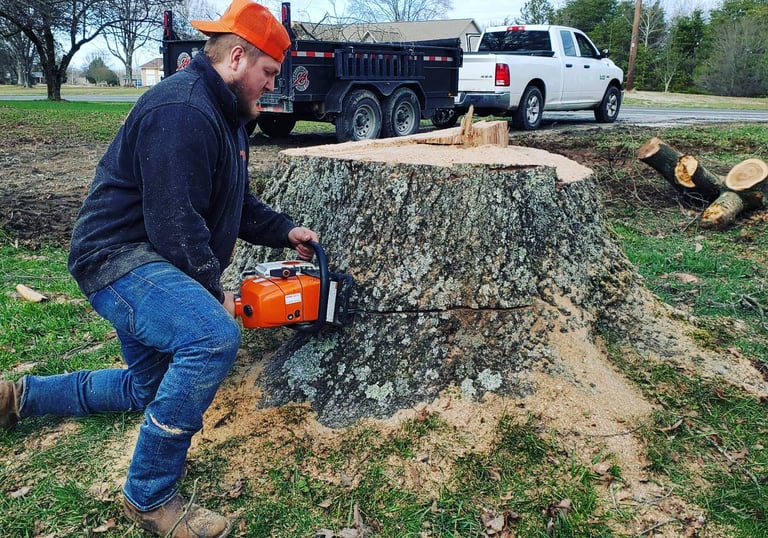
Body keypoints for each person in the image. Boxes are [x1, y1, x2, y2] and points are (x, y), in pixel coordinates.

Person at [0, 1, 318, 536]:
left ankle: (17, 398)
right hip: (118, 257)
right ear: (238, 57)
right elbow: (174, 221)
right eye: (268, 73)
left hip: (150, 259)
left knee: (146, 390)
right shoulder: (184, 110)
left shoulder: (226, 116)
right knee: (212, 336)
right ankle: (148, 495)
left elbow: (231, 203)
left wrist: (284, 230)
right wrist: (210, 293)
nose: (271, 86)